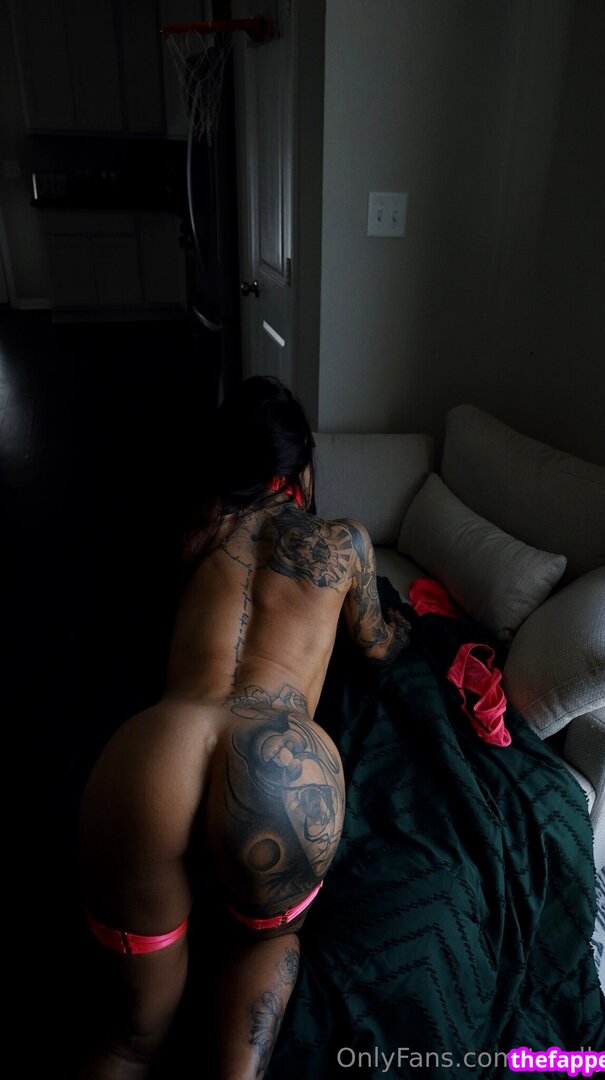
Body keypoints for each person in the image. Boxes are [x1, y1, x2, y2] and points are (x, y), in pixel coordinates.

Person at [78, 376, 410, 1079]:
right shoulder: (344, 542)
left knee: (128, 1042)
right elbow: (379, 649)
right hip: (279, 768)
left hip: (155, 753)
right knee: (266, 942)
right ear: (303, 467)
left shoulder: (198, 525)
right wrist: (402, 628)